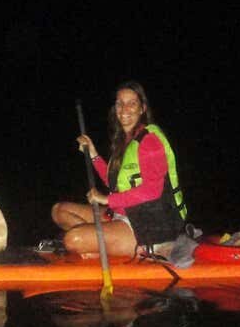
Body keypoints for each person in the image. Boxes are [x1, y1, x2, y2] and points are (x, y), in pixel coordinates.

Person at [51, 80, 187, 257]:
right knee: (59, 211)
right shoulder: (125, 140)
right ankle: (102, 245)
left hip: (145, 226)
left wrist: (107, 200)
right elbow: (115, 182)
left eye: (132, 103)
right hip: (121, 214)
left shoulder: (150, 141)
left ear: (142, 108)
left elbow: (153, 190)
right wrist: (93, 154)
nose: (125, 109)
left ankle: (131, 248)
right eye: (120, 103)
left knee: (72, 240)